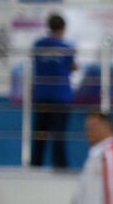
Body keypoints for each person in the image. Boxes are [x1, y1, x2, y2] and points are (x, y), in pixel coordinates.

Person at [30, 13, 78, 170]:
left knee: (40, 134)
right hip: (60, 97)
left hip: (42, 95)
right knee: (59, 134)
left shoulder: (38, 45)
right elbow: (73, 67)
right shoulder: (67, 47)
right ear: (63, 29)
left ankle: (35, 165)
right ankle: (61, 166)